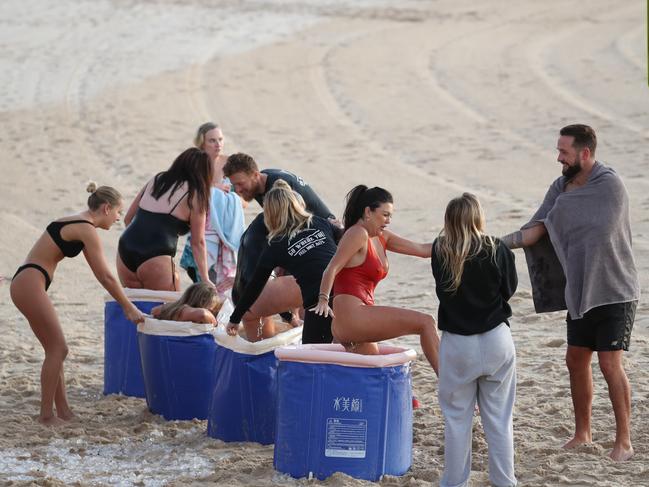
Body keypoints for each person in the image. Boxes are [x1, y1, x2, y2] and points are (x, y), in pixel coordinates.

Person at [502, 124, 640, 461]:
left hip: (614, 290)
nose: (558, 158)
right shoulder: (560, 187)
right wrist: (492, 245)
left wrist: (558, 214)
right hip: (579, 291)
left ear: (585, 153)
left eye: (564, 152)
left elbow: (590, 223)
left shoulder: (609, 185)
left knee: (610, 364)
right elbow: (537, 228)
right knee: (575, 360)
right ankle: (583, 433)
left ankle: (624, 440)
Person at [10, 183, 145, 425]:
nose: (117, 219)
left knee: (54, 349)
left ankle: (62, 411)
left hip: (27, 281)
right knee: (59, 349)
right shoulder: (86, 229)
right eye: (117, 212)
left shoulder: (77, 222)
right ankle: (46, 416)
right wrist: (128, 306)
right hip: (29, 283)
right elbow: (105, 276)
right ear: (106, 208)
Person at [433, 193, 518, 487]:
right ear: (478, 217)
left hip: (458, 344)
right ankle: (505, 482)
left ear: (449, 221)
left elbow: (442, 291)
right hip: (496, 338)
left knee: (457, 421)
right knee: (499, 420)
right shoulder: (498, 249)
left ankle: (454, 483)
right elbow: (509, 290)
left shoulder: (440, 250)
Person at [312, 185, 440, 374]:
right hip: (352, 318)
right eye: (385, 215)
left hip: (357, 320)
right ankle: (451, 389)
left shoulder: (381, 237)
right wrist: (323, 299)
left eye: (390, 216)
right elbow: (332, 267)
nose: (388, 221)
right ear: (368, 212)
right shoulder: (358, 234)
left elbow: (422, 250)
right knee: (426, 322)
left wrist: (462, 240)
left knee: (377, 375)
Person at [226, 180, 342, 343]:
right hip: (347, 289)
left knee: (310, 354)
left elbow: (254, 286)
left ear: (270, 213)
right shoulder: (320, 222)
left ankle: (274, 337)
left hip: (318, 300)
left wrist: (235, 318)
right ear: (296, 204)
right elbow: (348, 240)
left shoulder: (275, 244)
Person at [117, 148, 213, 291]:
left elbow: (128, 219)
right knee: (167, 310)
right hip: (156, 254)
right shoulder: (196, 194)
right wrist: (205, 278)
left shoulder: (157, 179)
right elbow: (197, 242)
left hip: (126, 248)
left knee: (134, 307)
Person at [180, 123, 245, 290]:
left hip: (227, 234)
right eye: (212, 140)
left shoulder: (231, 164)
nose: (218, 144)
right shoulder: (194, 166)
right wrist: (211, 189)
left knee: (226, 289)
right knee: (203, 283)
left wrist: (229, 198)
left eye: (221, 139)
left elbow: (244, 201)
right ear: (202, 143)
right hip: (202, 229)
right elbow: (184, 193)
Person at [231, 213, 303, 341]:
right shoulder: (284, 228)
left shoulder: (252, 232)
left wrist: (290, 318)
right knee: (319, 285)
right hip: (259, 294)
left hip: (241, 298)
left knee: (262, 349)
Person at [222, 152, 335, 220]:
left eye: (240, 183)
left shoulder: (277, 187)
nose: (237, 190)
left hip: (328, 231)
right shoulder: (260, 182)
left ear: (256, 175)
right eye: (234, 185)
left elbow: (288, 226)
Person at [151, 282, 223, 324]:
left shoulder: (173, 309)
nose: (211, 312)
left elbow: (154, 310)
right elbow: (203, 315)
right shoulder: (185, 310)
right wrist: (216, 324)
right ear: (203, 301)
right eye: (211, 310)